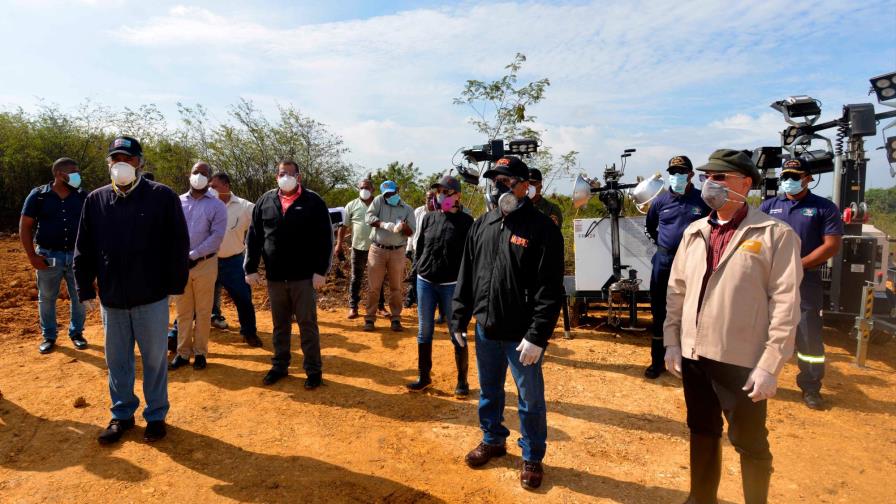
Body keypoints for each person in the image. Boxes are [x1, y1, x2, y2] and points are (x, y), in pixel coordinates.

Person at [664, 149, 801, 504]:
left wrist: (770, 365)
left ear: (747, 183)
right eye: (708, 176)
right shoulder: (695, 231)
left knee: (750, 443)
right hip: (695, 354)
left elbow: (785, 304)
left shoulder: (775, 234)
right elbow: (677, 290)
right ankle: (700, 498)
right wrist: (672, 342)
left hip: (741, 358)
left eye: (720, 177)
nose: (710, 183)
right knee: (702, 431)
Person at [452, 156, 564, 490]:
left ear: (523, 185)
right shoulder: (482, 224)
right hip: (486, 328)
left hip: (522, 337)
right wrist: (459, 315)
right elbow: (467, 275)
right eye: (494, 180)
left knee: (529, 400)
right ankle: (493, 439)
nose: (497, 186)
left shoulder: (542, 229)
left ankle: (532, 455)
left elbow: (550, 289)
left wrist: (537, 336)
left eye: (504, 180)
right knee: (489, 391)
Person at [74, 136, 190, 444]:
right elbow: (83, 247)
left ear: (140, 162)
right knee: (118, 361)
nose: (120, 163)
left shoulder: (161, 197)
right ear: (109, 163)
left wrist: (177, 284)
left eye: (127, 158)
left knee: (153, 360)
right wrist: (84, 287)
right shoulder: (96, 200)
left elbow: (178, 244)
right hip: (112, 299)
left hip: (150, 297)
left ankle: (155, 416)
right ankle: (122, 414)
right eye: (115, 158)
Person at [760, 158, 842, 410]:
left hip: (805, 280)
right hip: (768, 278)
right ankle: (755, 375)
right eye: (786, 176)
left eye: (795, 176)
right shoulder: (768, 206)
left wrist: (798, 265)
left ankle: (810, 386)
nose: (789, 181)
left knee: (808, 334)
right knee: (757, 328)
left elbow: (831, 245)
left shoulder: (823, 208)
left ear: (808, 178)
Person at [244, 160, 332, 389]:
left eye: (291, 174)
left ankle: (313, 370)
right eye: (282, 173)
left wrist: (320, 271)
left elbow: (325, 239)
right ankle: (280, 365)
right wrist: (250, 268)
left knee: (307, 324)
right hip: (275, 277)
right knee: (280, 324)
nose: (286, 177)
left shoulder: (313, 202)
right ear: (276, 176)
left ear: (299, 177)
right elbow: (254, 236)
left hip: (303, 278)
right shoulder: (265, 201)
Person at [643, 155, 711, 379]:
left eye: (682, 172)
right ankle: (658, 361)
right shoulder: (660, 201)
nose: (677, 176)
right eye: (673, 172)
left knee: (693, 310)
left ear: (691, 175)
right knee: (660, 312)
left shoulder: (703, 200)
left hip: (695, 262)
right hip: (664, 261)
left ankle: (690, 362)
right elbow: (651, 227)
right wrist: (666, 246)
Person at [407, 176, 474, 397]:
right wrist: (417, 269)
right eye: (439, 192)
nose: (441, 195)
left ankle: (462, 381)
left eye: (446, 191)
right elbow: (421, 246)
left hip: (451, 285)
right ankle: (424, 377)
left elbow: (471, 257)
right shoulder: (429, 218)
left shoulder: (467, 223)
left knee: (457, 331)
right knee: (424, 330)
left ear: (457, 195)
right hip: (425, 281)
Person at [20, 157, 88, 354]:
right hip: (48, 255)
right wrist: (32, 256)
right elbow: (25, 227)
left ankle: (77, 333)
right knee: (47, 297)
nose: (77, 175)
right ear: (59, 174)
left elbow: (93, 227)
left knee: (79, 297)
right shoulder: (38, 196)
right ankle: (49, 336)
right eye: (73, 171)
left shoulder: (83, 196)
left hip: (77, 256)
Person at [168, 162, 227, 371]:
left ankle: (200, 353)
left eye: (204, 173)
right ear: (189, 174)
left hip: (205, 264)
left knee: (203, 311)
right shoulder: (176, 202)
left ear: (210, 179)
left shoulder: (217, 205)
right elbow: (169, 231)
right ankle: (183, 353)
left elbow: (217, 236)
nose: (199, 176)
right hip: (180, 265)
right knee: (183, 312)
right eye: (196, 172)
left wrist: (193, 255)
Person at [208, 172, 263, 348]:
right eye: (209, 186)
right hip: (206, 261)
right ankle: (176, 334)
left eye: (214, 186)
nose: (211, 189)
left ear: (226, 186)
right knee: (195, 299)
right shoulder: (205, 204)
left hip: (233, 262)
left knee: (243, 298)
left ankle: (249, 332)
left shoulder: (245, 207)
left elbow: (263, 221)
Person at [363, 180, 415, 332]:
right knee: (374, 287)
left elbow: (411, 232)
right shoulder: (379, 200)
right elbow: (369, 218)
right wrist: (383, 224)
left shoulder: (407, 209)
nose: (389, 196)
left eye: (392, 193)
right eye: (387, 194)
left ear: (397, 190)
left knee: (396, 287)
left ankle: (396, 318)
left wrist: (403, 227)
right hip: (377, 250)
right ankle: (370, 318)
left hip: (398, 251)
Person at [335, 178, 387, 320]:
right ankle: (353, 307)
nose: (364, 190)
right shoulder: (351, 205)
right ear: (358, 189)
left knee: (378, 279)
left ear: (373, 190)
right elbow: (343, 226)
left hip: (377, 247)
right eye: (362, 187)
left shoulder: (380, 205)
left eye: (367, 187)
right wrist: (339, 244)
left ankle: (380, 307)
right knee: (355, 278)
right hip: (358, 247)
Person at [405, 191, 436, 309]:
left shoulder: (439, 212)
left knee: (426, 276)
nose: (430, 201)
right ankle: (412, 298)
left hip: (432, 250)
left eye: (433, 198)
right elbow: (412, 231)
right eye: (428, 198)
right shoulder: (418, 212)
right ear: (425, 199)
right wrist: (408, 248)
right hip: (417, 249)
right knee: (414, 274)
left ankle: (421, 299)